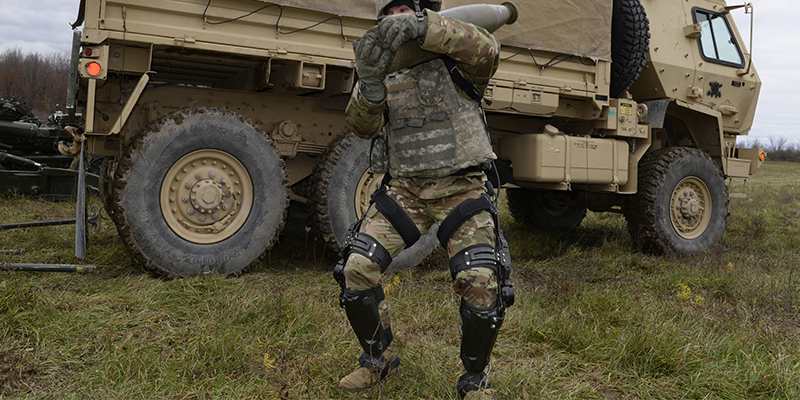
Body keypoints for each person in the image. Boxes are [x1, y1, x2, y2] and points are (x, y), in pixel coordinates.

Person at [333, 0, 514, 398]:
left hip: (461, 189)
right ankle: (379, 360)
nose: (396, 18)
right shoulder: (379, 66)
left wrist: (427, 28)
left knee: (481, 281)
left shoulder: (458, 59)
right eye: (390, 12)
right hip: (407, 190)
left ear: (421, 11)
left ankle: (474, 379)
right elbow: (361, 127)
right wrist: (371, 86)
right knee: (356, 268)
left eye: (406, 10)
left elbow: (488, 49)